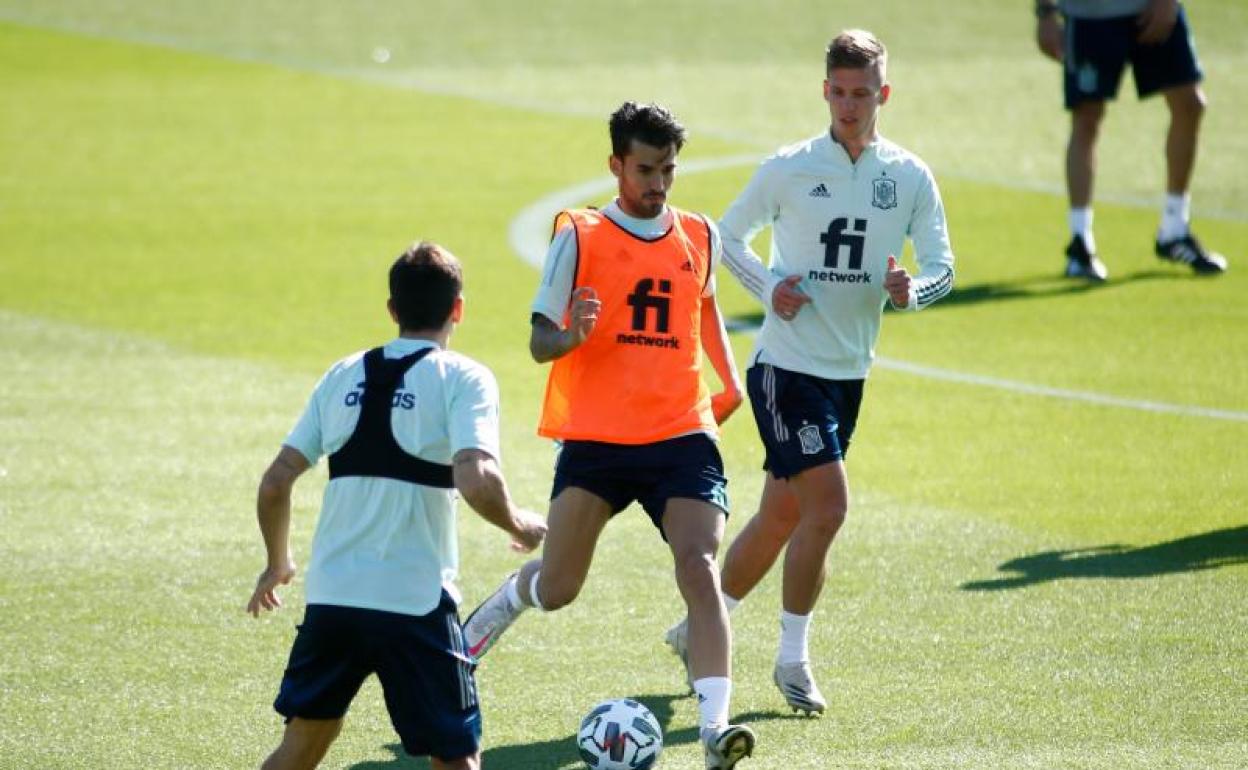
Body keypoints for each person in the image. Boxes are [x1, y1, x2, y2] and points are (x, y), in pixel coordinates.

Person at [665, 29, 955, 716]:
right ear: (824, 91)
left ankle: (695, 629)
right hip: (784, 368)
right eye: (839, 92)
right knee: (829, 506)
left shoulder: (909, 177)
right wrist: (769, 289)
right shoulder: (790, 166)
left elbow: (944, 268)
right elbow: (723, 236)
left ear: (883, 95)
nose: (849, 106)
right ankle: (792, 660)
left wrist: (912, 290)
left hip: (848, 372)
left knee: (779, 516)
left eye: (862, 94)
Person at [461, 101, 756, 770]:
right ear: (616, 165)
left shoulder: (698, 235)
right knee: (559, 587)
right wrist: (570, 336)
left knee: (699, 565)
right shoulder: (581, 235)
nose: (657, 185)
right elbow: (540, 340)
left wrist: (727, 385)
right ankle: (492, 614)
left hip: (680, 435)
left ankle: (716, 730)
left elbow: (704, 311)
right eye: (645, 170)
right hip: (597, 440)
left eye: (668, 171)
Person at [246, 241, 547, 770]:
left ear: (392, 310)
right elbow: (476, 478)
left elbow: (275, 483)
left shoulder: (342, 374)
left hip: (334, 598)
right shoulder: (464, 377)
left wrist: (278, 562)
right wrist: (519, 521)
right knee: (456, 758)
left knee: (305, 743)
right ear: (458, 308)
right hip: (414, 603)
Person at [1034, 0, 1227, 279]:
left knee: (1190, 104)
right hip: (1090, 15)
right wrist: (1046, 12)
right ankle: (1080, 243)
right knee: (1086, 118)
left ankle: (1174, 230)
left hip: (1153, 8)